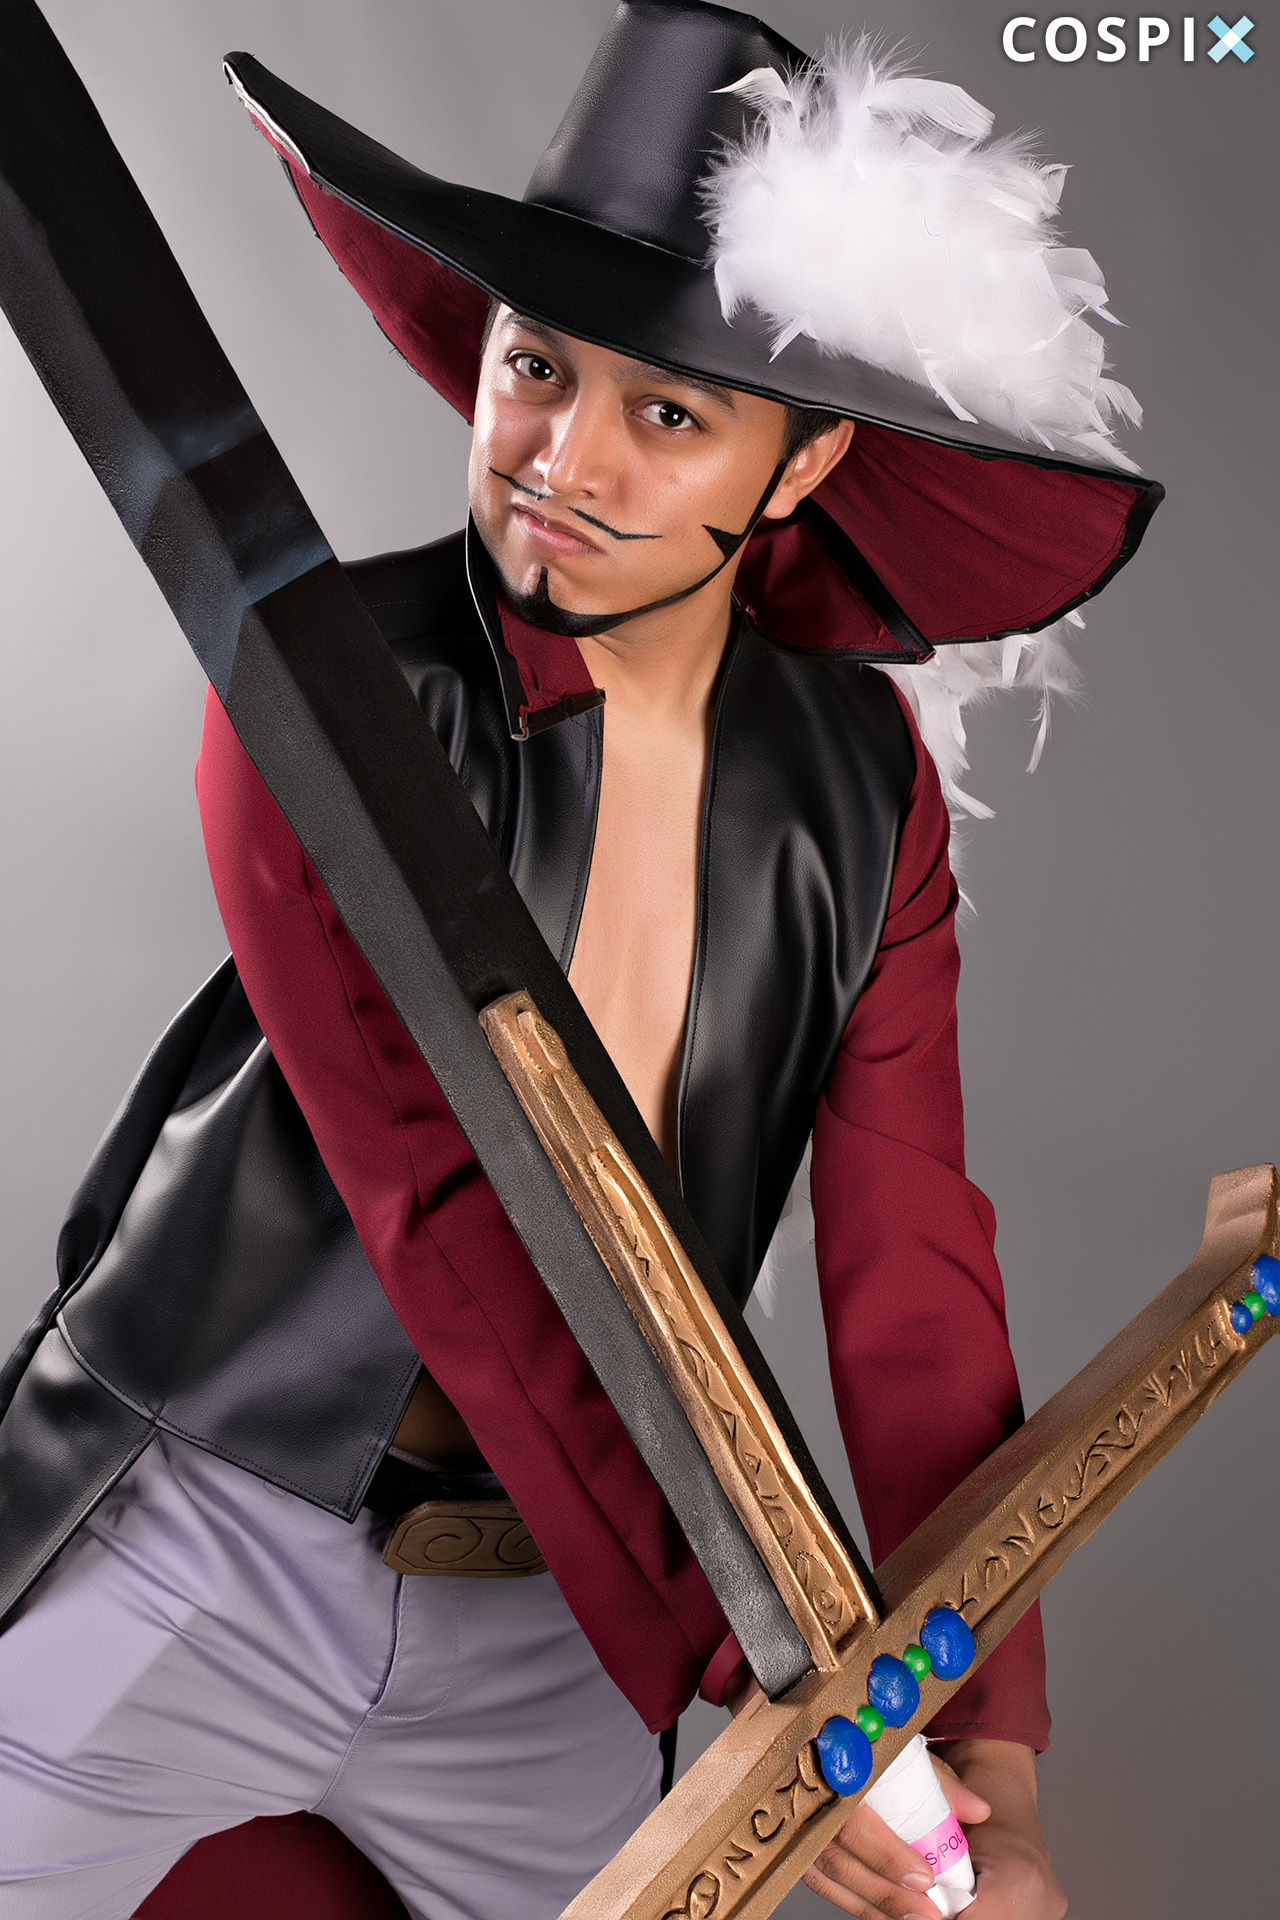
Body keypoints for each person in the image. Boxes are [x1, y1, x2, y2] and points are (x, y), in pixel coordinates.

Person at [0, 4, 1160, 1917]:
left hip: (555, 1632)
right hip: (213, 1534)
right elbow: (453, 1205)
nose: (561, 457)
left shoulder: (863, 794)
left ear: (801, 464)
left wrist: (980, 1743)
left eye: (670, 413)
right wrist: (771, 1670)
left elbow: (912, 1276)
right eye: (537, 365)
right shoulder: (339, 695)